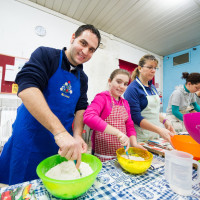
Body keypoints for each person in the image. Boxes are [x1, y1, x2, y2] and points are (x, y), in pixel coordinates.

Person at [0, 24, 101, 185]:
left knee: (53, 184)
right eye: (83, 43)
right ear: (73, 37)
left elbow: (81, 107)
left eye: (91, 50)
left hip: (61, 144)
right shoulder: (46, 55)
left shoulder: (83, 78)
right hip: (30, 137)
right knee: (23, 187)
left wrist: (76, 135)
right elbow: (27, 88)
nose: (86, 52)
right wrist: (60, 133)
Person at [83, 69, 145, 162]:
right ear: (109, 81)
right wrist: (118, 133)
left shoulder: (125, 103)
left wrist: (134, 143)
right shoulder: (102, 98)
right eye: (118, 82)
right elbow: (89, 117)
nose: (121, 86)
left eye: (125, 84)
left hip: (121, 154)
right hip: (103, 155)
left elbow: (129, 126)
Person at [124, 55, 175, 143]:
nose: (153, 71)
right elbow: (135, 117)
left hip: (154, 136)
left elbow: (153, 111)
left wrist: (165, 121)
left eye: (155, 68)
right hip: (140, 137)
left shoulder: (152, 88)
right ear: (140, 68)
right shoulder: (132, 89)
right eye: (150, 67)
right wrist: (159, 130)